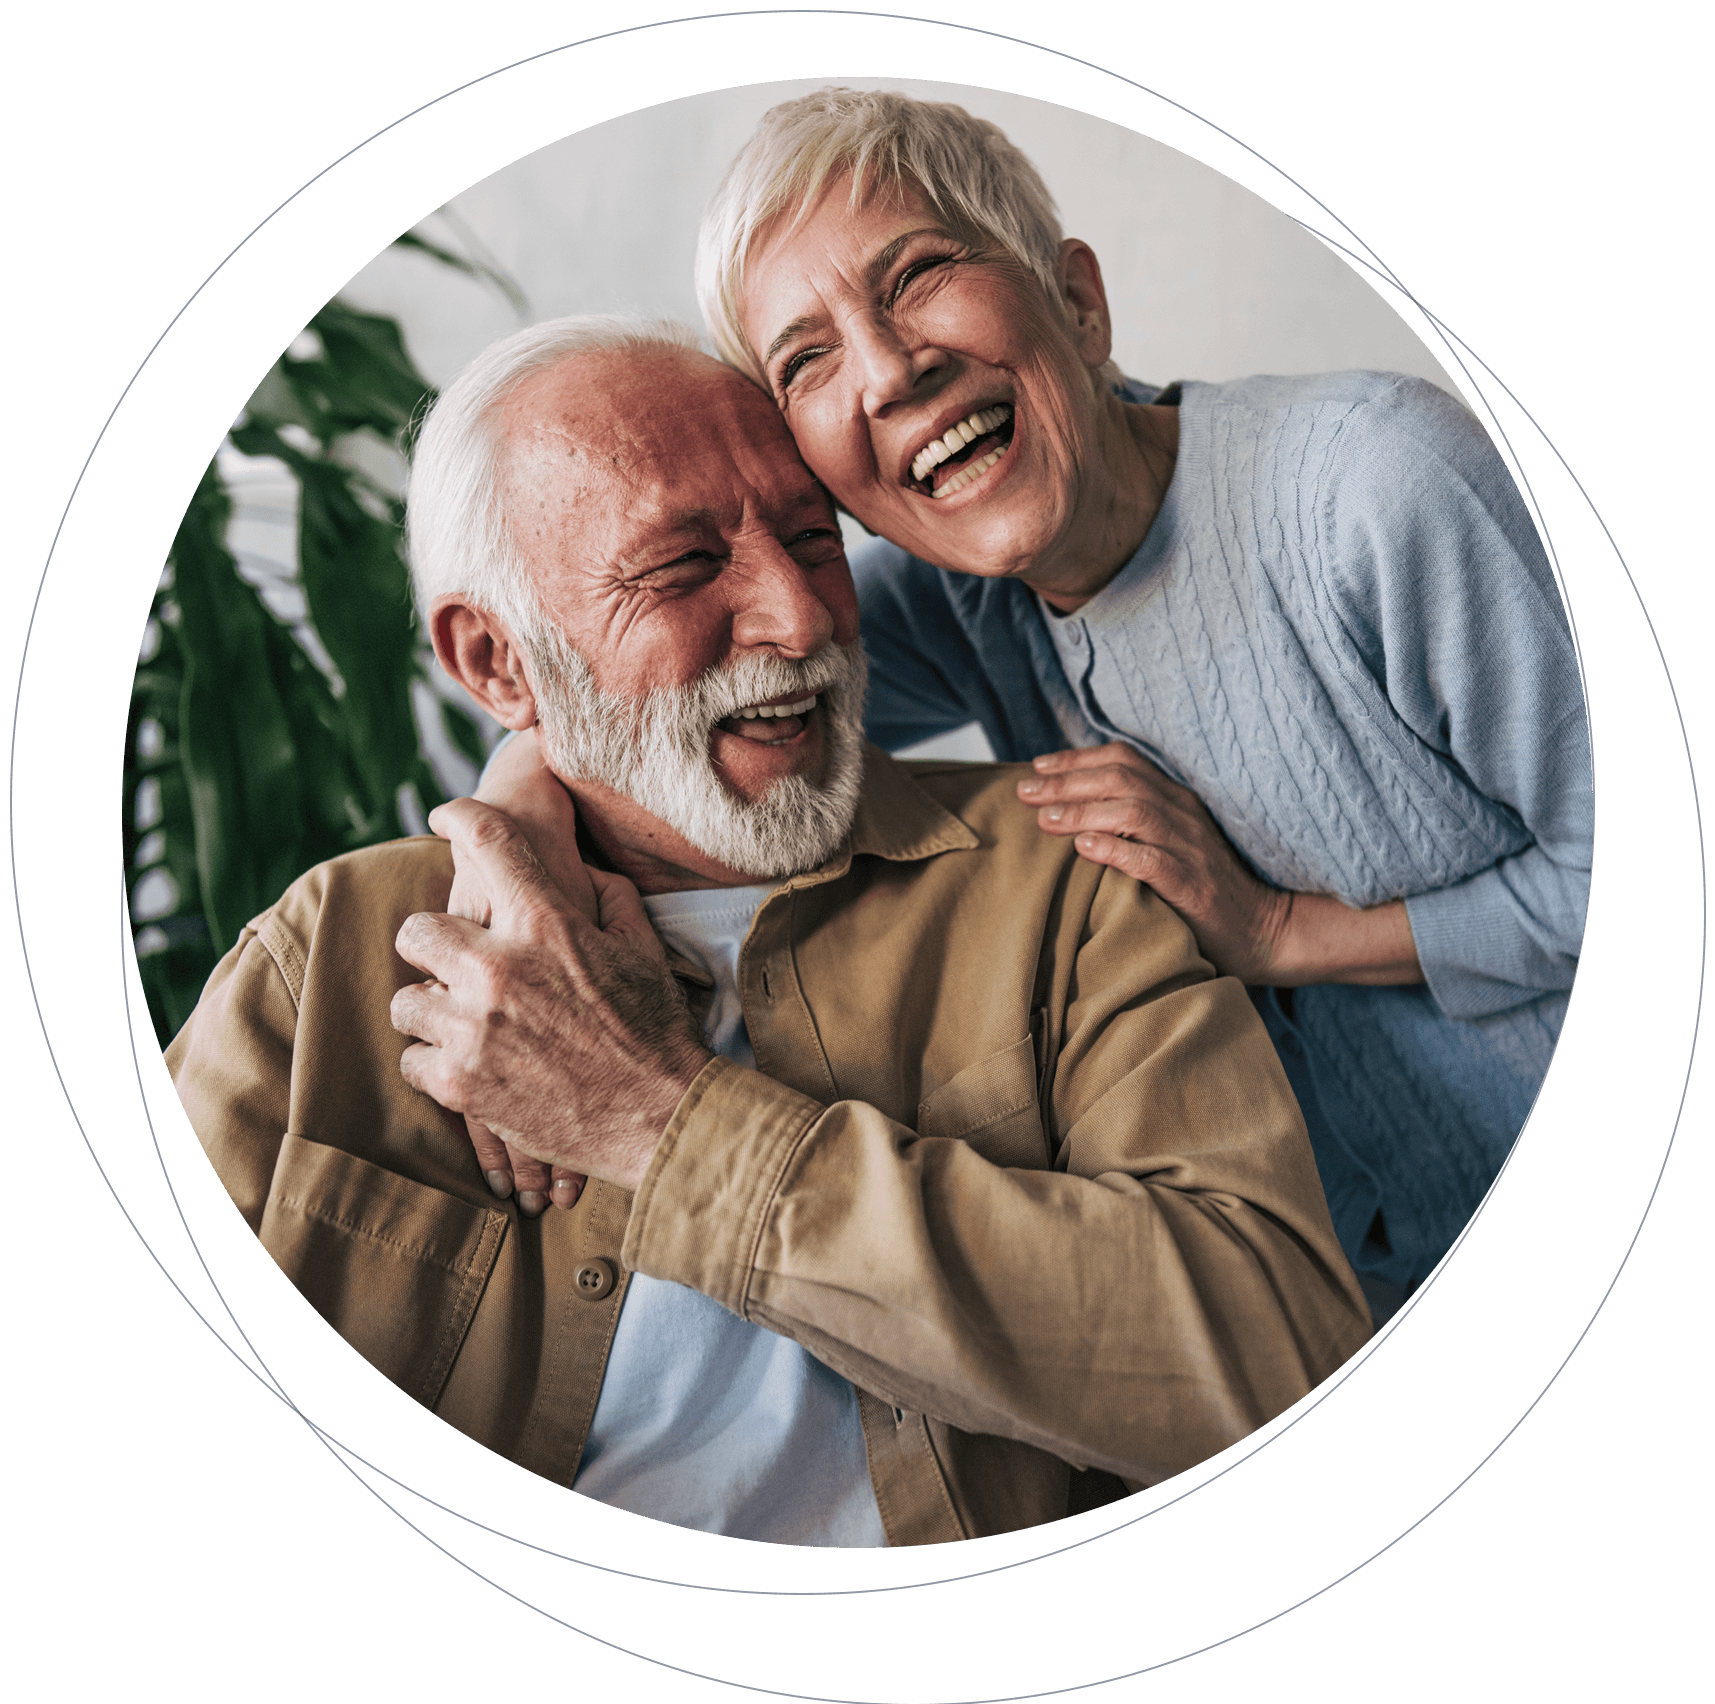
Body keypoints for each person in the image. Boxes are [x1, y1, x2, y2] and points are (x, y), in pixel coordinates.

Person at [166, 314, 1372, 1547]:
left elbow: (1279, 1368)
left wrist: (659, 1117)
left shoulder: (1063, 880)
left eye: (812, 539)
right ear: (497, 662)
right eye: (684, 569)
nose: (799, 621)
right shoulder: (326, 959)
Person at [682, 87, 1593, 1304]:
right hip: (1343, 1303)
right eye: (809, 359)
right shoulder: (952, 597)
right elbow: (679, 706)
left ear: (1075, 299)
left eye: (917, 276)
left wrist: (1283, 934)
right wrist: (518, 823)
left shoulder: (1372, 488)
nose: (891, 372)